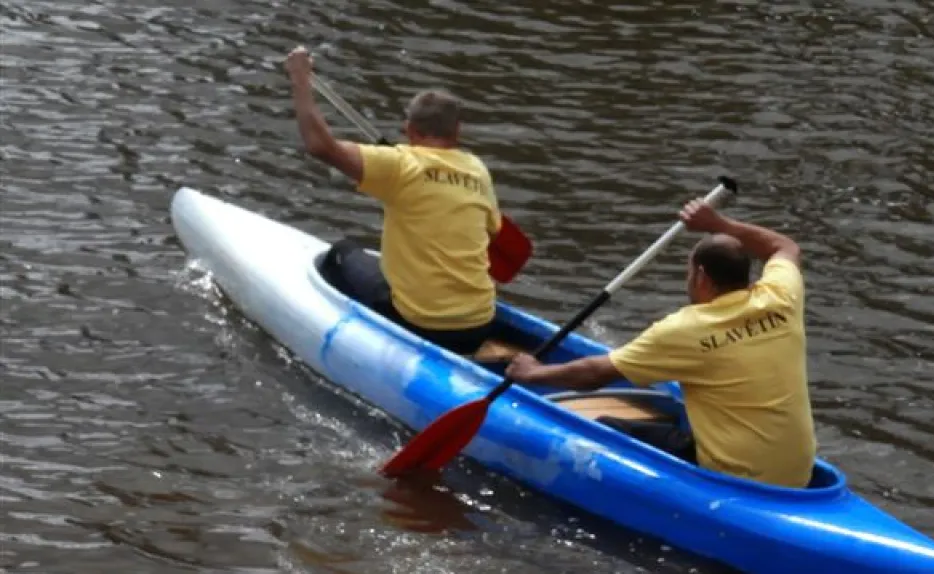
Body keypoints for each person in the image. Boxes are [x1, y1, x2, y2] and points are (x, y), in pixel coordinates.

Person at [505, 199, 817, 488]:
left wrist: (533, 373)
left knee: (607, 428)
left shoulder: (684, 329)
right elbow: (783, 246)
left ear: (701, 277)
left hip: (735, 476)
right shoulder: (782, 296)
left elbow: (595, 374)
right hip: (798, 474)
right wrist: (719, 223)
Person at [284, 46, 501, 355]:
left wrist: (300, 81)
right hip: (480, 324)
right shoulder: (478, 170)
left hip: (421, 323)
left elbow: (320, 145)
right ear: (457, 130)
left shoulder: (399, 164)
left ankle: (352, 341)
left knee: (342, 253)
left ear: (409, 130)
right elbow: (492, 233)